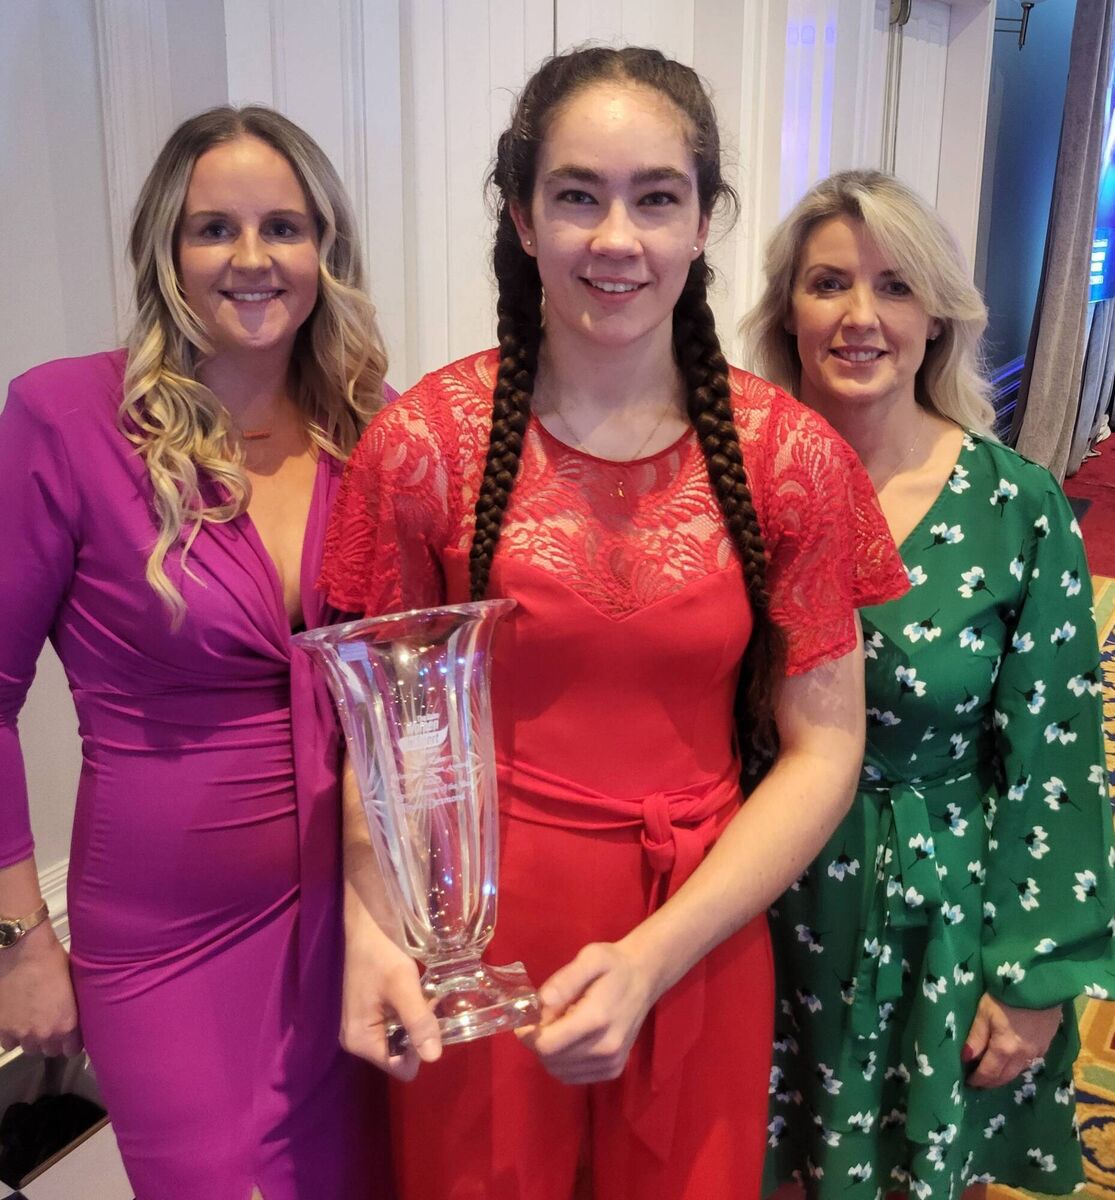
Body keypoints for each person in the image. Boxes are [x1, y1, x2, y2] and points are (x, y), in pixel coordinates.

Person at [319, 48, 908, 1200]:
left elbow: (825, 750)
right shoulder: (425, 445)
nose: (616, 238)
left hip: (695, 929)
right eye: (576, 194)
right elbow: (382, 743)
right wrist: (370, 932)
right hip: (472, 946)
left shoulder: (788, 460)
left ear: (702, 224)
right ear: (521, 218)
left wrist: (651, 959)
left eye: (656, 197)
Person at [0, 106, 395, 1199]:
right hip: (165, 945)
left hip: (356, 922)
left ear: (327, 249)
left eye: (285, 225)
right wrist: (20, 941)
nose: (253, 258)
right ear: (166, 251)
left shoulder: (377, 433)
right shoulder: (65, 417)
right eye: (214, 228)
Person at [743, 168, 1115, 1200]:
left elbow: (1056, 759)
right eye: (826, 284)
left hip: (932, 916)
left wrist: (1032, 976)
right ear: (786, 310)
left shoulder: (1015, 505)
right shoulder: (735, 490)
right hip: (751, 904)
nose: (860, 316)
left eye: (895, 287)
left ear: (938, 316)